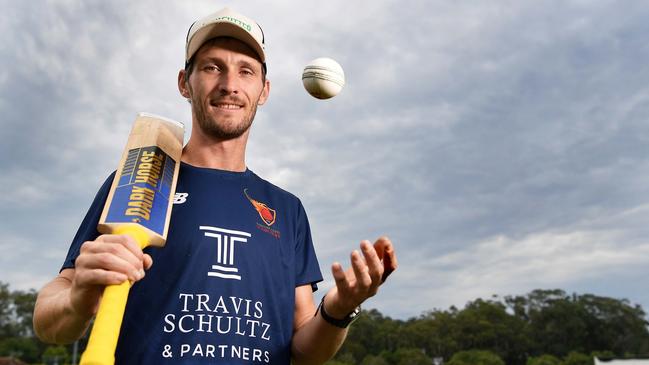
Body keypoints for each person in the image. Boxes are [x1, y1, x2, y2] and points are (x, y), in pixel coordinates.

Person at [33, 7, 397, 364]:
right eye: (212, 67)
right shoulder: (141, 180)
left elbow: (304, 351)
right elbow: (49, 323)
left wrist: (339, 308)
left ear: (264, 90)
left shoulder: (286, 209)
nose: (229, 85)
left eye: (246, 71)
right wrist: (78, 299)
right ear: (184, 83)